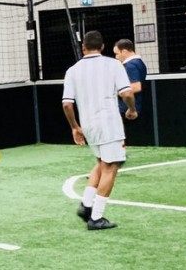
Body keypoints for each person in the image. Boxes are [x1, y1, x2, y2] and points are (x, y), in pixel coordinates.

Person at [62, 31, 137, 231]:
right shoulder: (113, 65)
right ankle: (96, 217)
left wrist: (75, 128)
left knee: (101, 163)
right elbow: (127, 92)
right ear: (103, 47)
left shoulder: (72, 70)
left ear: (83, 48)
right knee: (111, 168)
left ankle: (86, 206)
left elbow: (67, 104)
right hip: (109, 123)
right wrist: (131, 109)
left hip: (89, 125)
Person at [113, 39, 146, 121]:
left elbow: (136, 87)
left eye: (117, 54)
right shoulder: (139, 62)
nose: (116, 57)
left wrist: (115, 91)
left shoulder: (130, 66)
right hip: (132, 108)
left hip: (127, 110)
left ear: (124, 51)